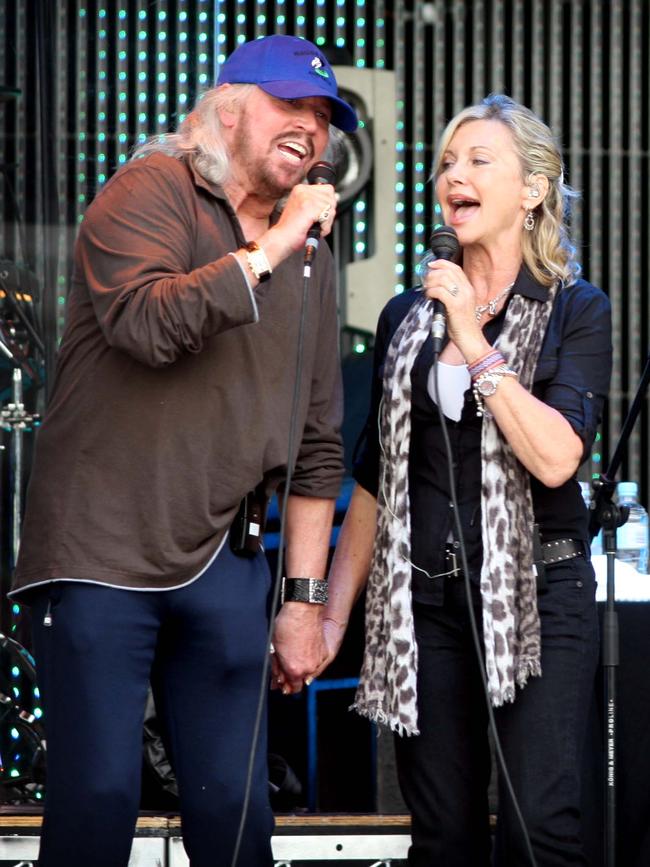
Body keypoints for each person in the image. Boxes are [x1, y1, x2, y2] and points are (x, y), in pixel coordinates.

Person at [11, 34, 357, 867]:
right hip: (102, 550)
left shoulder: (313, 253)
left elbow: (316, 444)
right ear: (226, 107)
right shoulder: (147, 189)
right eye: (290, 106)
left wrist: (304, 603)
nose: (310, 130)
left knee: (238, 812)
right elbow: (149, 323)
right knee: (96, 798)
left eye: (322, 118)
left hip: (224, 562)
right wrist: (271, 250)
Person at [318, 94, 612, 866]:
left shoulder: (574, 310)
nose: (456, 174)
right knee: (441, 833)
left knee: (537, 825)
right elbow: (377, 482)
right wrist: (327, 616)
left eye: (480, 160)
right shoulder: (403, 318)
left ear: (533, 190)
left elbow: (555, 457)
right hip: (428, 604)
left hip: (538, 595)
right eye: (448, 161)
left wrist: (475, 339)